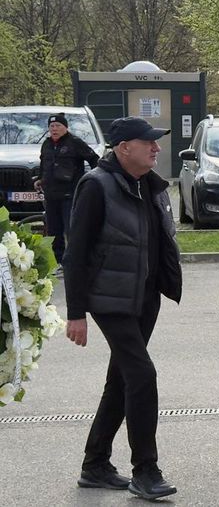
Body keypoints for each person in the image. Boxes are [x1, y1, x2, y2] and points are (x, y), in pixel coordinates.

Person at [62, 117, 181, 501]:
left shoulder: (151, 185)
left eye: (156, 142)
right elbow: (76, 252)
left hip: (145, 297)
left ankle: (95, 463)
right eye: (148, 142)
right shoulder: (96, 185)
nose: (156, 148)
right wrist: (76, 312)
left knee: (122, 379)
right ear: (123, 147)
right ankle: (145, 470)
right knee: (142, 376)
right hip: (110, 299)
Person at [33, 112, 100, 267]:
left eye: (58, 126)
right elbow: (44, 165)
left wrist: (95, 178)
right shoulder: (47, 144)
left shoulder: (75, 142)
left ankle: (76, 260)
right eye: (51, 126)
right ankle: (59, 261)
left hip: (70, 193)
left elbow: (94, 159)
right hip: (51, 194)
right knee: (53, 230)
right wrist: (40, 180)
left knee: (72, 228)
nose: (54, 129)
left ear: (65, 128)